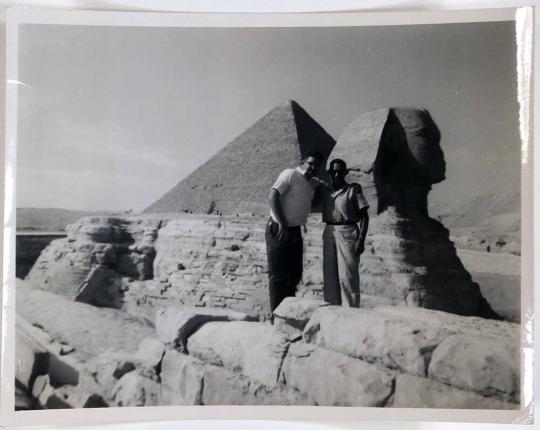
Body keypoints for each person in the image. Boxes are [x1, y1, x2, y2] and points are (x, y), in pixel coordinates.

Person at [265, 151, 324, 312]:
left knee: (294, 275)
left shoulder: (310, 182)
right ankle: (276, 316)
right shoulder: (290, 174)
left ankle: (287, 314)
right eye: (310, 163)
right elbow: (272, 197)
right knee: (278, 275)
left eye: (316, 166)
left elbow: (321, 187)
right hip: (280, 228)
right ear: (302, 161)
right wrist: (283, 225)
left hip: (295, 231)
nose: (313, 168)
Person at [321, 158, 369, 307]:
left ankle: (351, 311)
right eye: (333, 171)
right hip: (329, 231)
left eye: (340, 171)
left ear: (345, 173)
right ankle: (332, 312)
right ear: (329, 173)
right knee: (330, 275)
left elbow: (365, 216)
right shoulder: (324, 190)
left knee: (348, 276)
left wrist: (361, 239)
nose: (336, 175)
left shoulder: (353, 190)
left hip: (348, 231)